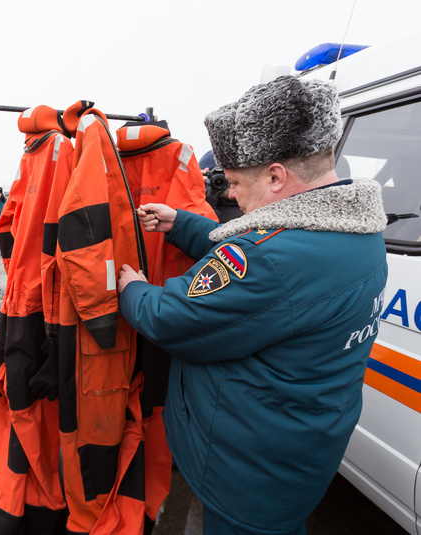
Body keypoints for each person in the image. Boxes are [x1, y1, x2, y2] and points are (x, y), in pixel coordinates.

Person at [117, 75, 388, 535]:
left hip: (247, 476)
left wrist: (133, 289)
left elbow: (175, 318)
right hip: (295, 455)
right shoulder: (355, 230)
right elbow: (272, 270)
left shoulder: (272, 258)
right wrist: (182, 223)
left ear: (276, 175)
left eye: (237, 183)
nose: (233, 197)